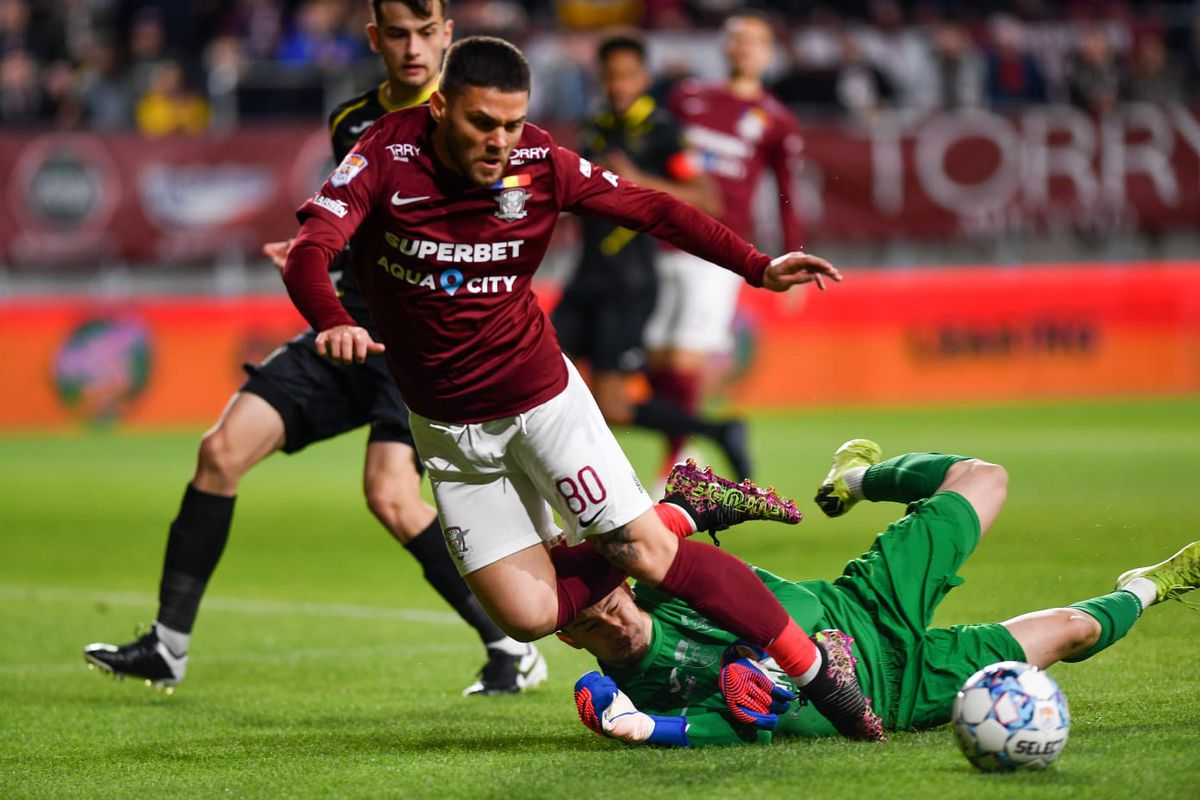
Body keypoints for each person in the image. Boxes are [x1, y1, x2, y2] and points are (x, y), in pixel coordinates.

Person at [279, 35, 884, 740]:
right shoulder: (385, 155)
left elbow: (653, 208)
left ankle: (817, 673)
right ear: (440, 107)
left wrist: (755, 265)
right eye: (481, 123)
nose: (499, 141)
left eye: (511, 123)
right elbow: (310, 252)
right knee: (531, 617)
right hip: (445, 431)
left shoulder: (542, 162)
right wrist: (330, 320)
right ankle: (680, 509)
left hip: (543, 404)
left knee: (645, 556)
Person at [84, 0, 548, 698]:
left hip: (418, 344)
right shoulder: (351, 123)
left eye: (426, 33)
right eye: (398, 34)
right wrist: (314, 255)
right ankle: (168, 645)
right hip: (344, 331)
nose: (413, 48)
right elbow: (361, 221)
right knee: (220, 451)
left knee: (390, 496)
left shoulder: (475, 125)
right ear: (376, 38)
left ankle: (509, 642)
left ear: (448, 36)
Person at [565, 439, 1200, 746]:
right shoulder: (635, 688)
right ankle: (1150, 585)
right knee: (1072, 629)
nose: (615, 621)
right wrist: (646, 728)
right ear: (569, 636)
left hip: (866, 604)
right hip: (901, 691)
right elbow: (729, 730)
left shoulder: (669, 585)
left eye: (612, 602)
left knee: (985, 478)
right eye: (595, 624)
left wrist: (757, 659)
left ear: (623, 586)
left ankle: (859, 477)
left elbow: (801, 607)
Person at [551, 29, 753, 480]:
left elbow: (707, 199)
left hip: (631, 282)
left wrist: (638, 179)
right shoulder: (595, 129)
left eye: (628, 75)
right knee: (536, 373)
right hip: (586, 275)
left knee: (613, 405)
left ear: (643, 76)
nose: (619, 85)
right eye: (611, 76)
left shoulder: (665, 132)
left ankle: (718, 431)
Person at [647, 10, 808, 479]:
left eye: (755, 42)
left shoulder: (777, 119)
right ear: (725, 47)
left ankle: (673, 466)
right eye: (737, 40)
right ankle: (695, 437)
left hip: (718, 251)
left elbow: (787, 194)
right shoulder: (689, 97)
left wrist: (793, 256)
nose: (744, 49)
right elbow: (657, 152)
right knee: (656, 359)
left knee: (685, 357)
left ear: (768, 53)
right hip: (661, 239)